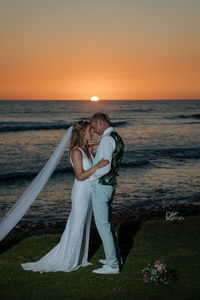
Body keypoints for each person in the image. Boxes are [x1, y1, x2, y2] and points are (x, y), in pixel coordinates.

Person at [21, 120, 108, 273]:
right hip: (81, 192)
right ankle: (68, 260)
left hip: (89, 192)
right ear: (82, 132)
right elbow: (80, 176)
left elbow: (100, 146)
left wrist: (103, 141)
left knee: (84, 223)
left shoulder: (86, 148)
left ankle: (80, 257)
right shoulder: (76, 152)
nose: (92, 133)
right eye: (90, 130)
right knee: (77, 223)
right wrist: (97, 166)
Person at [89, 113, 124, 274]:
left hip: (102, 186)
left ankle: (113, 265)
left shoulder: (106, 139)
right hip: (110, 186)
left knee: (103, 226)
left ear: (100, 122)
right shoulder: (116, 137)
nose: (93, 130)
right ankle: (115, 257)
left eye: (94, 126)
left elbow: (105, 167)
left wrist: (90, 176)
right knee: (108, 224)